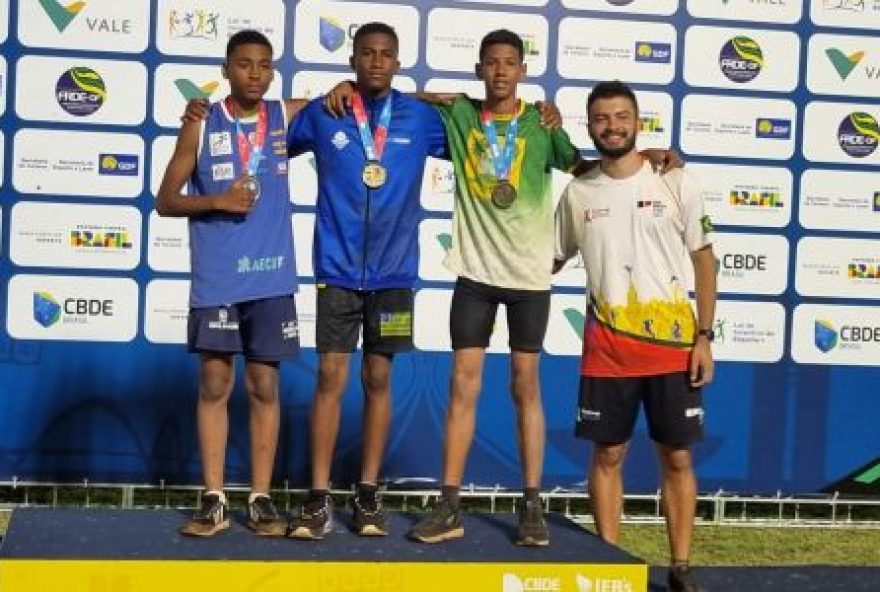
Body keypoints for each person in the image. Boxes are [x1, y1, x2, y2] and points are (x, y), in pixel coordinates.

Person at [405, 29, 585, 547]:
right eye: (492, 63)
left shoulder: (540, 124)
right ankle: (449, 505)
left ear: (522, 71)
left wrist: (654, 159)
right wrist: (432, 97)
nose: (501, 71)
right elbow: (396, 102)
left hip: (529, 278)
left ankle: (532, 506)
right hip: (476, 276)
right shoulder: (461, 115)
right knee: (463, 386)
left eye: (510, 63)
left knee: (524, 386)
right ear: (480, 69)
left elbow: (587, 169)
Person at [284, 22, 451, 540]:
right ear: (353, 60)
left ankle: (369, 495)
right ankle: (317, 499)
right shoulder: (325, 112)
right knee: (330, 379)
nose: (376, 61)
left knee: (379, 380)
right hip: (336, 272)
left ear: (397, 62)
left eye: (386, 54)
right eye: (367, 54)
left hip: (394, 274)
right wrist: (318, 96)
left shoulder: (420, 118)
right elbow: (266, 125)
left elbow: (477, 126)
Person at [553, 80, 715, 592]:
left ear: (637, 122)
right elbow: (550, 260)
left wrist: (704, 336)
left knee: (679, 456)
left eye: (621, 117)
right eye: (601, 119)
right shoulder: (578, 192)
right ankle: (610, 563)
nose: (612, 126)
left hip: (672, 350)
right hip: (607, 351)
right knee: (606, 457)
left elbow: (704, 262)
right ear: (590, 126)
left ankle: (681, 566)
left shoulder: (676, 181)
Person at [157, 30, 302, 537]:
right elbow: (166, 199)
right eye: (245, 65)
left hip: (271, 275)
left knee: (264, 384)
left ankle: (261, 499)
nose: (255, 74)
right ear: (226, 69)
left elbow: (355, 102)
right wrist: (217, 201)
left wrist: (435, 98)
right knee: (216, 382)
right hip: (218, 278)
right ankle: (214, 497)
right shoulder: (201, 124)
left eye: (264, 65)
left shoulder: (284, 117)